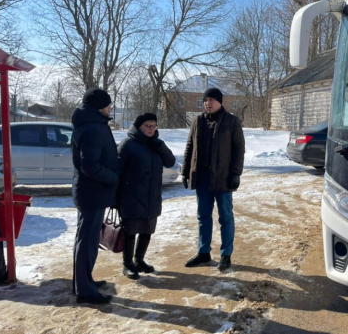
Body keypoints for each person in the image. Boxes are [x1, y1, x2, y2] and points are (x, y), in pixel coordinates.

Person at [182, 87, 245, 271]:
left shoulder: (232, 122)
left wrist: (236, 174)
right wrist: (185, 171)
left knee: (225, 217)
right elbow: (189, 147)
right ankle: (203, 253)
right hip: (202, 178)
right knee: (203, 217)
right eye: (205, 100)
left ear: (220, 102)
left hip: (223, 178)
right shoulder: (197, 121)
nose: (208, 103)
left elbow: (239, 150)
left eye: (212, 100)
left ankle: (226, 254)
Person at [71, 88, 118, 305]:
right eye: (108, 105)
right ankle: (85, 290)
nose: (110, 108)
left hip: (90, 192)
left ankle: (83, 282)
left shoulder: (91, 124)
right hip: (93, 193)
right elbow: (90, 165)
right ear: (100, 107)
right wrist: (112, 178)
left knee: (85, 240)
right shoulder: (92, 128)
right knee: (87, 242)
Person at [116, 113, 176, 279]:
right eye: (147, 126)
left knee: (147, 230)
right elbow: (116, 171)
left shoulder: (156, 144)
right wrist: (115, 197)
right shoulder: (128, 144)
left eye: (154, 126)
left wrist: (160, 146)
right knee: (130, 231)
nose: (151, 129)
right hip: (131, 196)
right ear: (138, 127)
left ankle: (139, 260)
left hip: (151, 196)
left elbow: (170, 162)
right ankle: (127, 263)